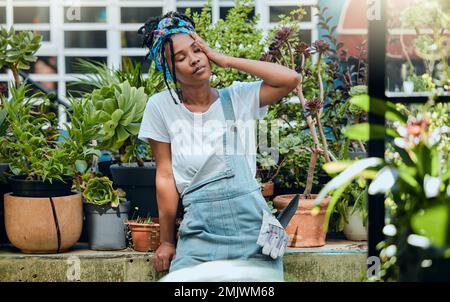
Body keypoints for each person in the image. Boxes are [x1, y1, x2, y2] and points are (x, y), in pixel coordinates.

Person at [137, 11, 300, 278]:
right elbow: (165, 175)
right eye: (181, 57)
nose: (194, 60)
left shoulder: (238, 98)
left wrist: (224, 59)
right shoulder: (161, 107)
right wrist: (167, 241)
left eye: (196, 50)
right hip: (199, 236)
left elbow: (290, 79)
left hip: (253, 236)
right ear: (170, 69)